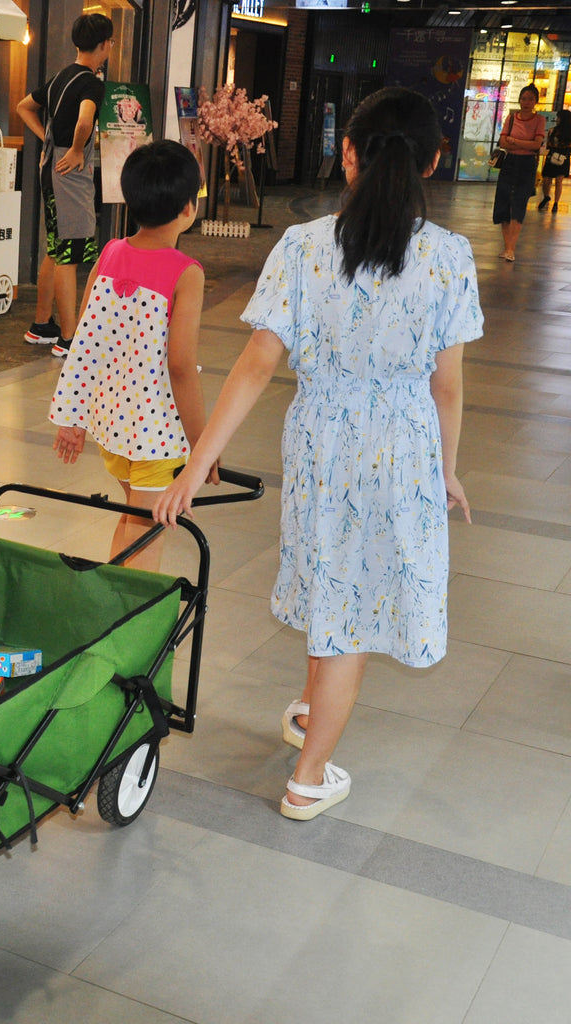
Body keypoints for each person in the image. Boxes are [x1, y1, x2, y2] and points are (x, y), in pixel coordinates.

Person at [153, 88, 483, 821]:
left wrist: (199, 462)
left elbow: (254, 366)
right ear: (432, 161)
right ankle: (309, 776)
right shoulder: (447, 257)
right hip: (401, 447)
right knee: (353, 614)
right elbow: (448, 387)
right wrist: (445, 469)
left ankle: (311, 713)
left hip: (320, 443)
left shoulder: (302, 247)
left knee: (335, 582)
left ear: (349, 154)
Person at [50, 140, 219, 571]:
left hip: (114, 425)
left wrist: (74, 416)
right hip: (156, 434)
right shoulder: (186, 272)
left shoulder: (110, 253)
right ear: (187, 207)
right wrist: (203, 447)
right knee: (148, 529)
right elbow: (181, 366)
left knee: (134, 516)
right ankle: (132, 629)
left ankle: (114, 610)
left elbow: (86, 341)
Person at [17, 14, 114, 358]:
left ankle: (42, 325)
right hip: (68, 176)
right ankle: (69, 338)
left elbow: (24, 107)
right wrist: (74, 149)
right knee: (69, 255)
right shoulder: (91, 83)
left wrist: (48, 139)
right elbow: (86, 119)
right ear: (103, 44)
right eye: (110, 42)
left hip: (50, 168)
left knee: (55, 249)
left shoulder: (59, 77)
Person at [493, 84, 545, 261]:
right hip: (510, 162)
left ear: (535, 101)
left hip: (527, 165)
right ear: (519, 100)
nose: (526, 102)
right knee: (503, 201)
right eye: (524, 98)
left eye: (530, 99)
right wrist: (523, 143)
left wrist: (514, 141)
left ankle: (511, 248)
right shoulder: (511, 118)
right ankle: (508, 247)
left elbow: (537, 145)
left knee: (519, 202)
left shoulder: (539, 120)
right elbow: (503, 143)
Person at [539, 109, 571, 212]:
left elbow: (549, 144)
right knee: (555, 180)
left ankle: (551, 200)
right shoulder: (554, 131)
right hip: (563, 157)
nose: (557, 119)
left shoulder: (553, 131)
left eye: (558, 117)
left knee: (551, 179)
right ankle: (551, 200)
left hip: (554, 156)